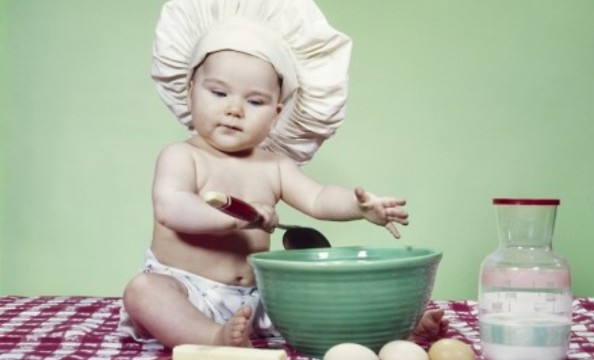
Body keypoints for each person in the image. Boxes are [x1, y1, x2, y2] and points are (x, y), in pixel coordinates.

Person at [119, 0, 448, 349]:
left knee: (321, 296)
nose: (234, 109)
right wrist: (234, 219)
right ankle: (211, 338)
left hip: (261, 298)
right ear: (189, 91)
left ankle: (394, 334)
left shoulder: (273, 165)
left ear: (277, 113)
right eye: (218, 92)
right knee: (143, 290)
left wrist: (359, 207)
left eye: (255, 102)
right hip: (186, 290)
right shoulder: (182, 156)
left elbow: (318, 198)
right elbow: (172, 208)